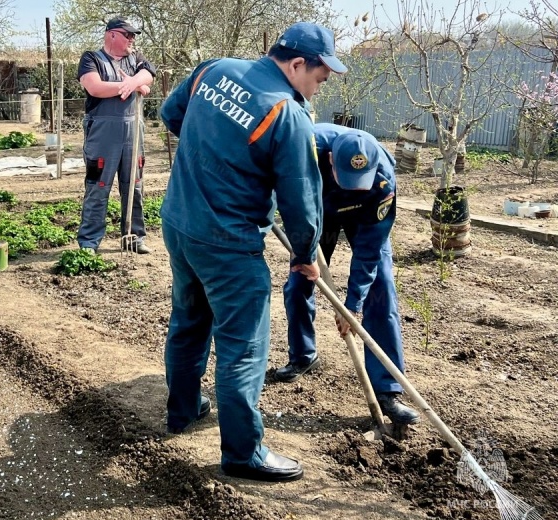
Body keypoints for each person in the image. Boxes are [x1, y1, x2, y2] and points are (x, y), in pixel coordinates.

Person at [159, 22, 347, 482]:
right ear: (298, 64)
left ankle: (182, 411)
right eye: (318, 78)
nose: (316, 91)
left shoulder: (214, 70)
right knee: (244, 346)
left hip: (179, 222)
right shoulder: (287, 113)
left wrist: (217, 147)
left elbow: (169, 113)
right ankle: (244, 453)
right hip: (226, 242)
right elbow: (301, 200)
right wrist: (305, 253)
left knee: (189, 319)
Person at [277, 123, 420, 426]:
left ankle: (387, 390)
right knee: (298, 283)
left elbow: (370, 249)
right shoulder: (305, 151)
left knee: (381, 289)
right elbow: (290, 202)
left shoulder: (382, 180)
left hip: (364, 216)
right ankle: (303, 356)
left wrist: (352, 305)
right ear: (330, 160)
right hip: (318, 213)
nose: (354, 183)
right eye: (348, 179)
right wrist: (305, 254)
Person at [76, 16, 156, 254]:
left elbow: (148, 76)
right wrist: (131, 87)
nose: (132, 39)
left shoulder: (135, 59)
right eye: (128, 34)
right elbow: (95, 87)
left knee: (134, 185)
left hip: (134, 132)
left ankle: (134, 238)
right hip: (102, 134)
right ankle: (89, 242)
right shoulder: (91, 58)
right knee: (98, 186)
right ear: (112, 34)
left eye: (134, 35)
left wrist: (132, 82)